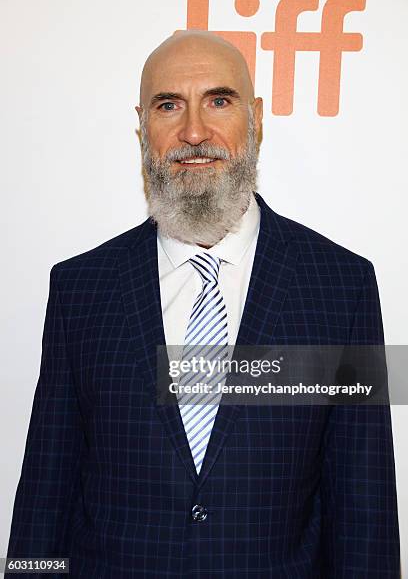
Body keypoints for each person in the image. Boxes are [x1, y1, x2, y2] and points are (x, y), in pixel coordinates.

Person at [6, 30, 400, 578]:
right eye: (170, 105)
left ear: (256, 118)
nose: (194, 131)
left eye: (219, 100)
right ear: (143, 126)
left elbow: (365, 505)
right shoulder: (80, 288)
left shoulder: (342, 285)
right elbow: (45, 494)